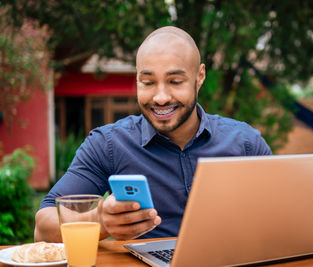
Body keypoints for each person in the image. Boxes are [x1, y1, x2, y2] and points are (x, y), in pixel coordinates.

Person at [35, 26, 272, 242]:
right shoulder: (107, 144)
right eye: (147, 82)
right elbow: (42, 228)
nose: (160, 97)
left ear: (199, 77)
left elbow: (282, 217)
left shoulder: (246, 143)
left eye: (175, 81)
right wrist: (99, 221)